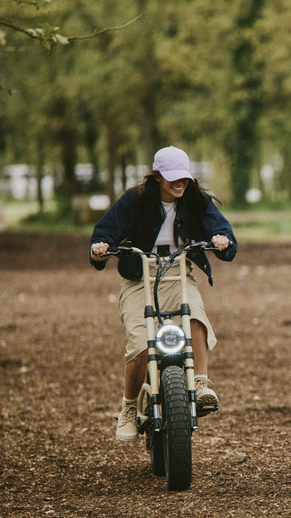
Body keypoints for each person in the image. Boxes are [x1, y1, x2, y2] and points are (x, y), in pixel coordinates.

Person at [89, 146, 237, 442]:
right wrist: (101, 248)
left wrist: (222, 240)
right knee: (142, 344)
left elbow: (223, 234)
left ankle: (201, 383)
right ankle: (130, 407)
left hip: (178, 273)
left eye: (183, 177)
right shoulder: (135, 200)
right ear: (157, 177)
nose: (179, 183)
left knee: (194, 316)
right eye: (172, 178)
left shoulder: (197, 201)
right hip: (138, 277)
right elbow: (104, 232)